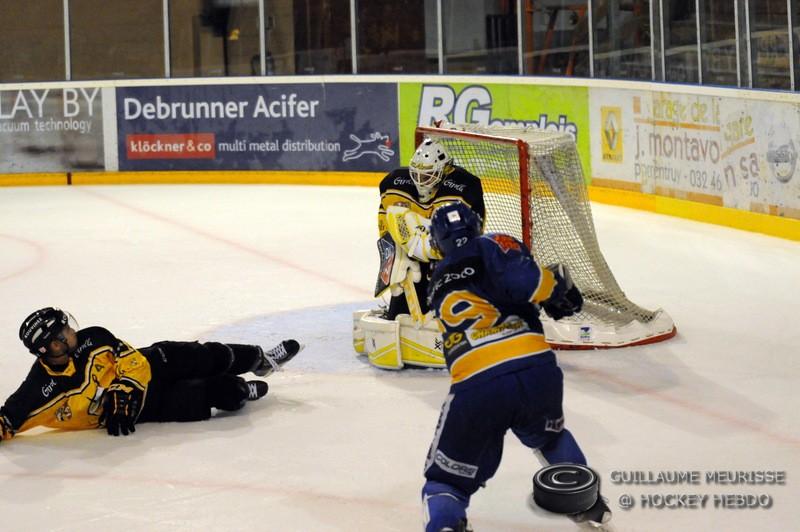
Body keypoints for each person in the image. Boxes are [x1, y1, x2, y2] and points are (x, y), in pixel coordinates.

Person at [420, 203, 611, 532]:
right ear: (477, 226)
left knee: (444, 483)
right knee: (549, 439)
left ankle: (446, 524)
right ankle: (588, 505)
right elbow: (527, 279)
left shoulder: (435, 282)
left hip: (477, 381)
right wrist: (558, 290)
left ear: (438, 242)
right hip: (535, 369)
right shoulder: (492, 243)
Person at [0, 307, 301, 441]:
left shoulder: (94, 337)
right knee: (220, 395)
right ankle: (239, 389)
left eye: (67, 326)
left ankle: (258, 359)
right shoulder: (39, 388)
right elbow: (7, 419)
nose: (71, 332)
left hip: (151, 363)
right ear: (51, 346)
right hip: (147, 408)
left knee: (201, 355)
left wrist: (123, 388)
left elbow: (132, 360)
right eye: (63, 332)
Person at [377, 137, 485, 320]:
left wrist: (441, 256)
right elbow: (386, 224)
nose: (421, 180)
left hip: (449, 254)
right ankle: (400, 310)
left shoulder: (464, 188)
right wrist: (398, 254)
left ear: (444, 170)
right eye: (417, 174)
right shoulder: (394, 184)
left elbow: (470, 235)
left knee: (450, 303)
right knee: (401, 304)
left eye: (427, 175)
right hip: (412, 249)